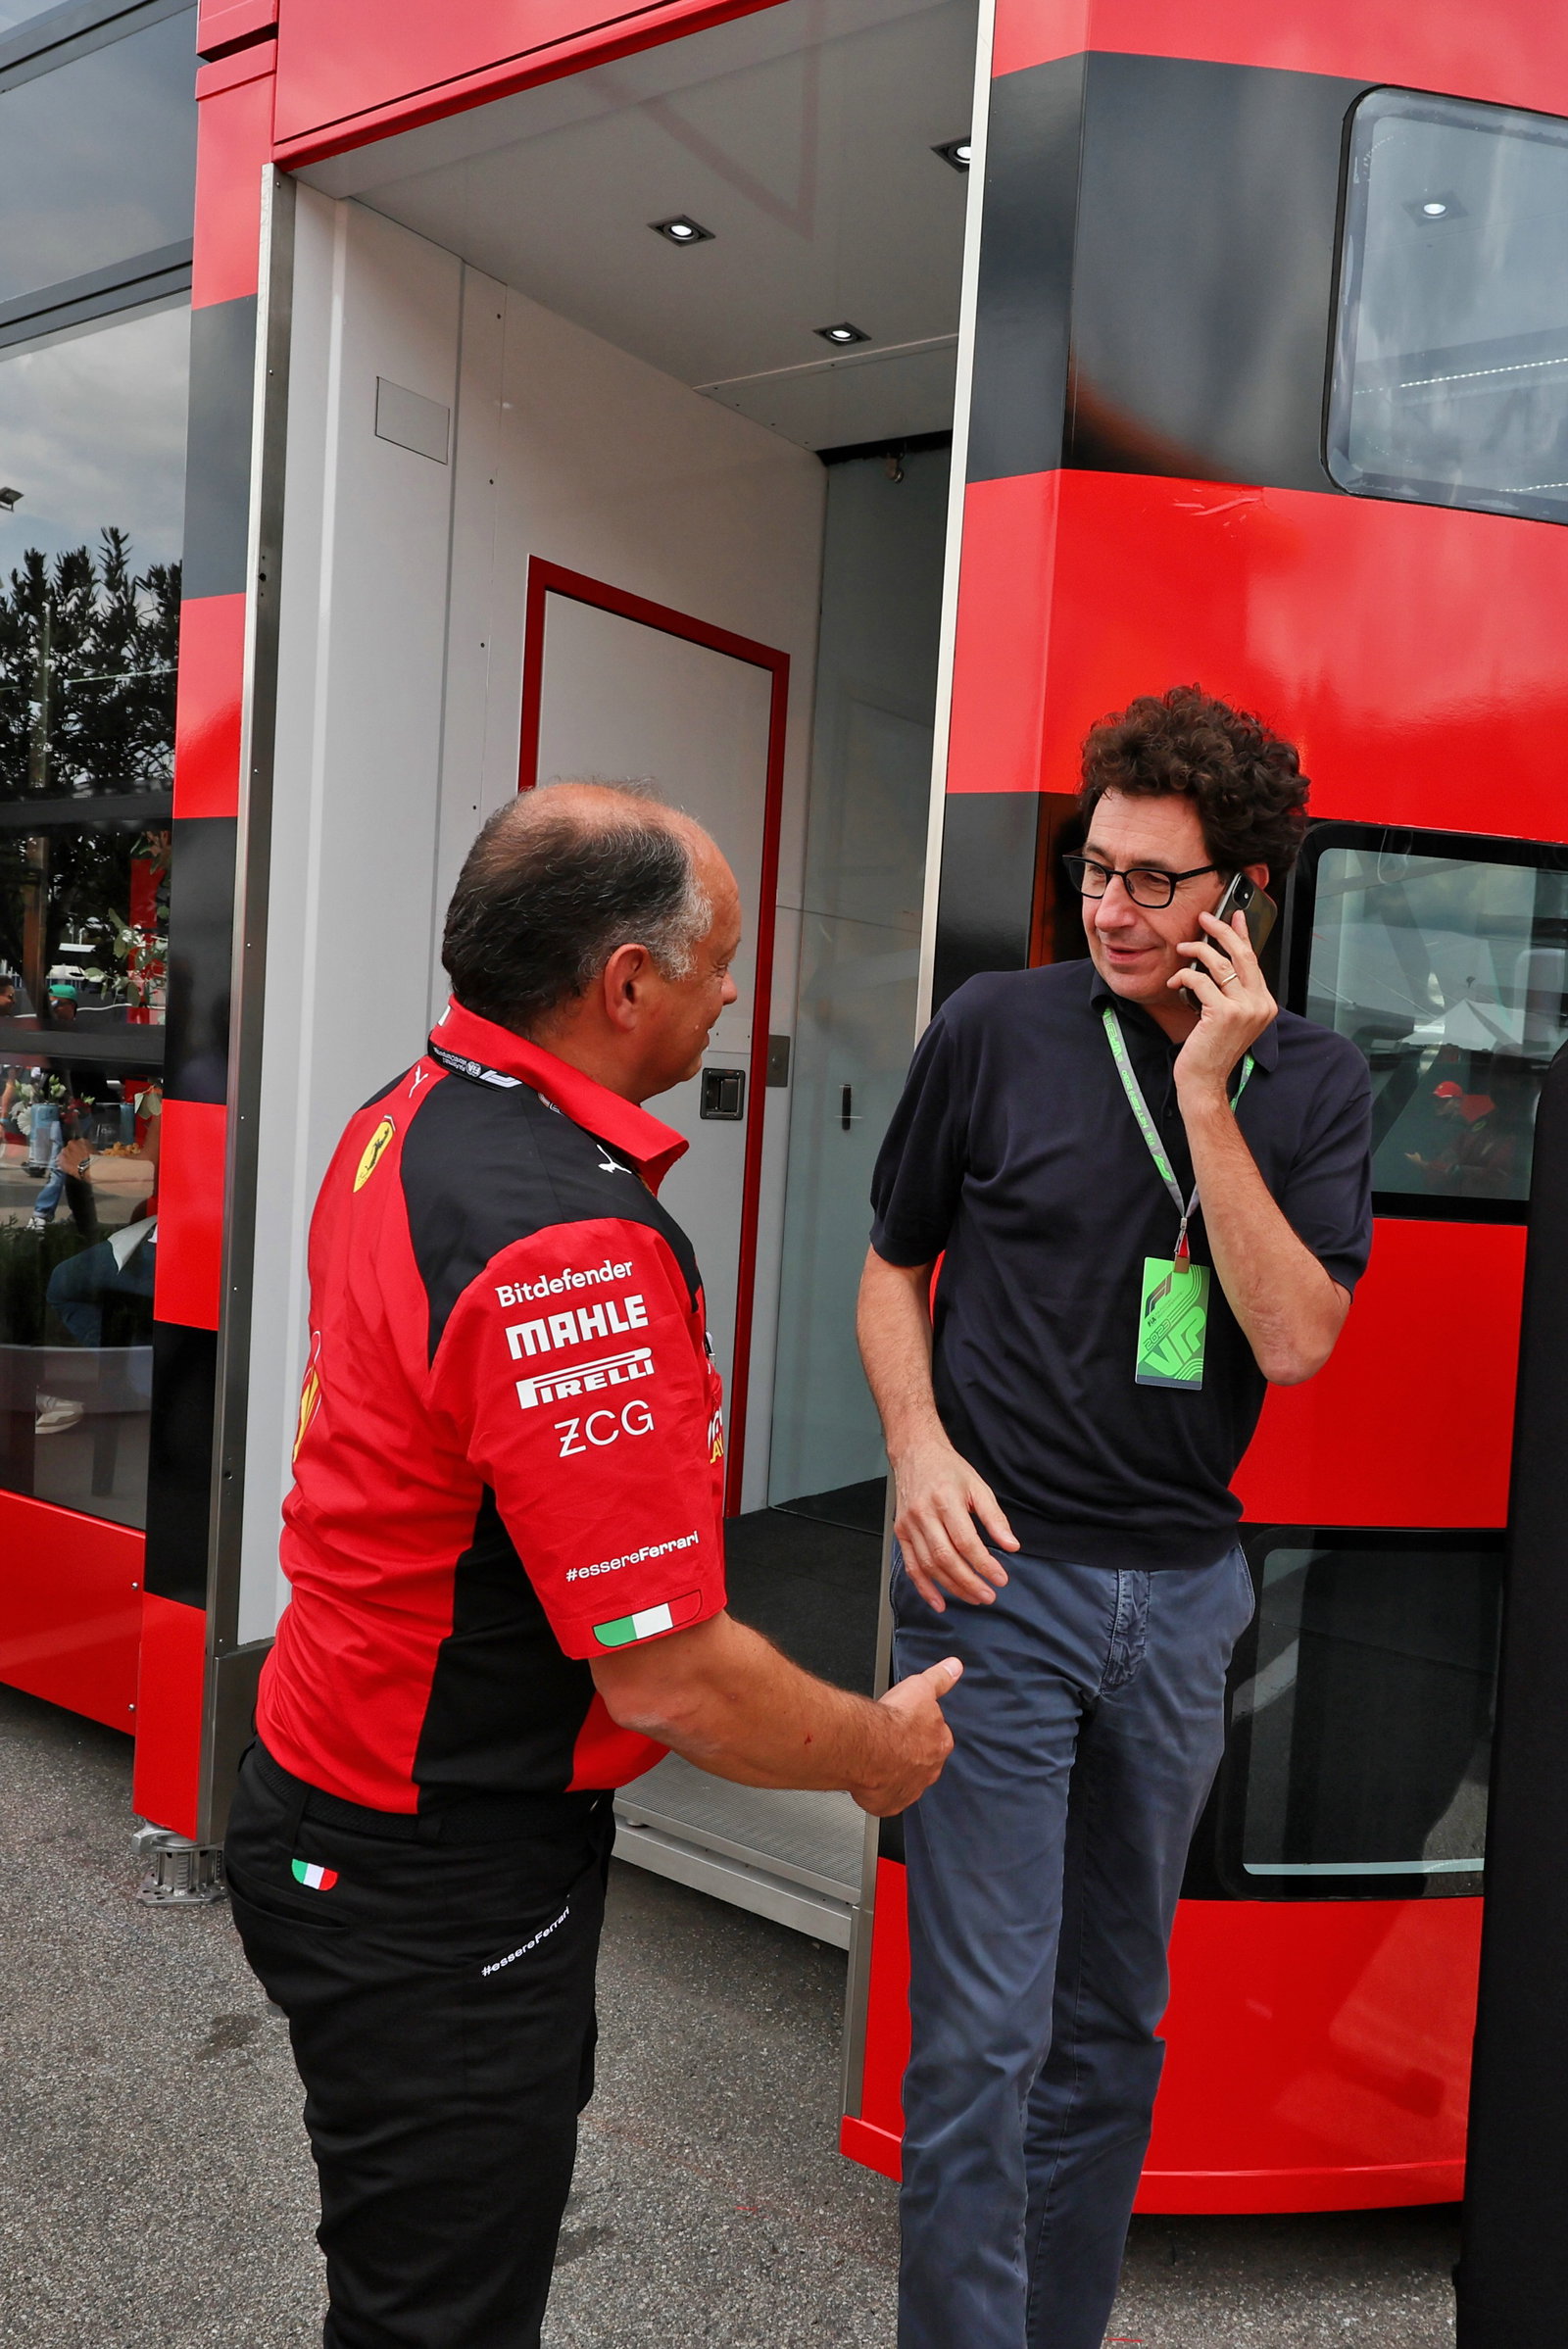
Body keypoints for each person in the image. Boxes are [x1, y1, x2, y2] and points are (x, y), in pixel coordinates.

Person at [224, 780, 961, 2349]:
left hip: (326, 1788)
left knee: (410, 2277)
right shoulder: (572, 1240)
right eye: (718, 964)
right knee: (442, 2315)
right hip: (436, 1873)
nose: (735, 995)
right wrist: (882, 1752)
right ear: (624, 984)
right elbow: (672, 1672)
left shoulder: (405, 1109)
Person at [858, 686, 1374, 2349]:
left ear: (1244, 899)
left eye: (1158, 881)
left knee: (1110, 2026)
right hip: (993, 1580)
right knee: (984, 2035)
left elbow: (1294, 1338)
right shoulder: (995, 1028)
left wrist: (1211, 1100)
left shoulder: (1313, 1085)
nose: (1112, 909)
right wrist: (919, 1442)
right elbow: (889, 1269)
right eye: (1096, 869)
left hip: (1181, 1597)